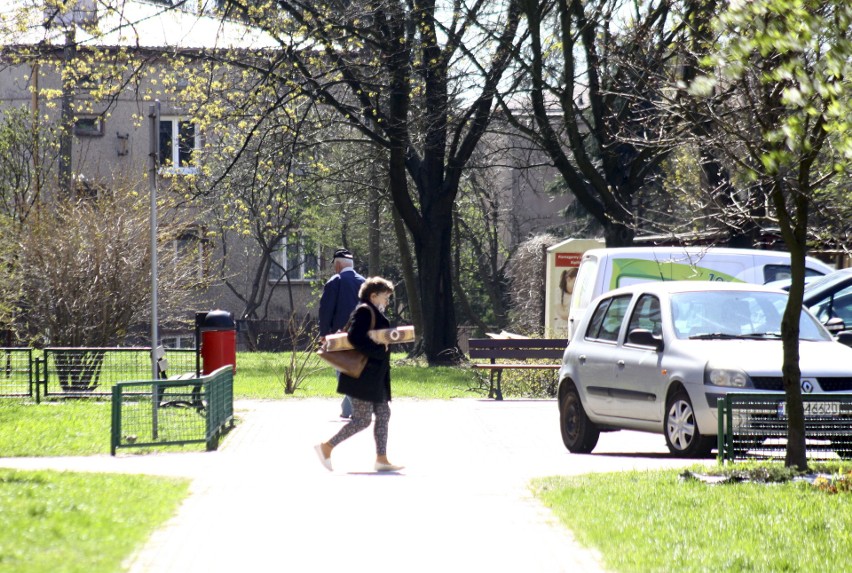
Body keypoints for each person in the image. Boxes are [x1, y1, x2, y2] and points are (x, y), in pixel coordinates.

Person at [314, 277, 403, 472]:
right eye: (385, 297)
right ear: (373, 295)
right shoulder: (364, 311)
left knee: (383, 413)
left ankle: (381, 459)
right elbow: (356, 338)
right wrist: (380, 350)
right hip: (362, 376)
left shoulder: (370, 311)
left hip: (374, 377)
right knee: (362, 420)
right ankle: (326, 447)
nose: (387, 301)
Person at [318, 248, 365, 419]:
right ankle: (347, 409)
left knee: (343, 372)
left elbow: (326, 310)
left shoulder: (335, 281)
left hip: (340, 336)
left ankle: (357, 409)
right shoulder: (364, 282)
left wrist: (324, 333)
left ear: (338, 265)